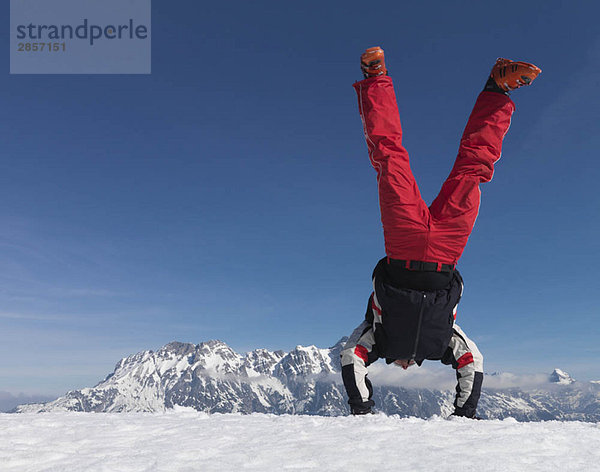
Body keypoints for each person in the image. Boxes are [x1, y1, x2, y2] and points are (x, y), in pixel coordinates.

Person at [340, 47, 541, 417]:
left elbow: (351, 356)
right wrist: (464, 415)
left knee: (390, 158)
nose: (403, 366)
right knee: (473, 168)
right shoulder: (441, 346)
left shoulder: (378, 340)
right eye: (406, 367)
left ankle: (376, 80)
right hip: (445, 252)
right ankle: (498, 90)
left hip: (406, 246)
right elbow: (473, 362)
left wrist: (361, 410)